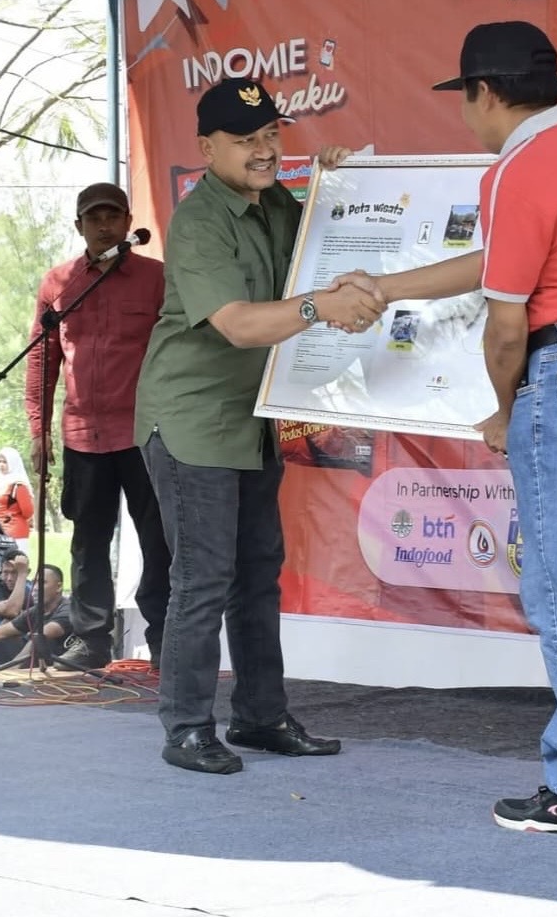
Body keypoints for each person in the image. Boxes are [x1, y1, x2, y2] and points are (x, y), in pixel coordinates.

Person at [339, 22, 557, 834]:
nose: (466, 115)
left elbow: (504, 326)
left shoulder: (514, 170)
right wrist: (388, 285)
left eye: (465, 99)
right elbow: (498, 258)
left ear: (484, 94)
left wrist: (502, 408)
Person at [133, 77, 380, 774]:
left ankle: (261, 716)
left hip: (249, 417)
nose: (264, 150)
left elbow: (337, 240)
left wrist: (337, 182)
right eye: (245, 141)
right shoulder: (199, 221)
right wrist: (319, 308)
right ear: (208, 147)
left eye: (271, 134)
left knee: (256, 573)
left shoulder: (276, 203)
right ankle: (184, 725)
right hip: (190, 418)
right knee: (203, 578)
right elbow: (240, 324)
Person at [28, 182, 170, 671]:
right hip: (83, 435)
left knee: (159, 537)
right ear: (78, 226)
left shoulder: (157, 278)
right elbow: (41, 361)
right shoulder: (59, 283)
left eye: (112, 216)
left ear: (129, 221)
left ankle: (167, 638)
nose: (104, 226)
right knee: (88, 539)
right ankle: (90, 640)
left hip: (147, 432)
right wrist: (37, 429)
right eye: (93, 218)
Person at [0, 447, 34, 540]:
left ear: (13, 463)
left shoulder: (18, 485)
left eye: (5, 462)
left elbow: (28, 512)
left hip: (15, 531)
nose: (1, 465)